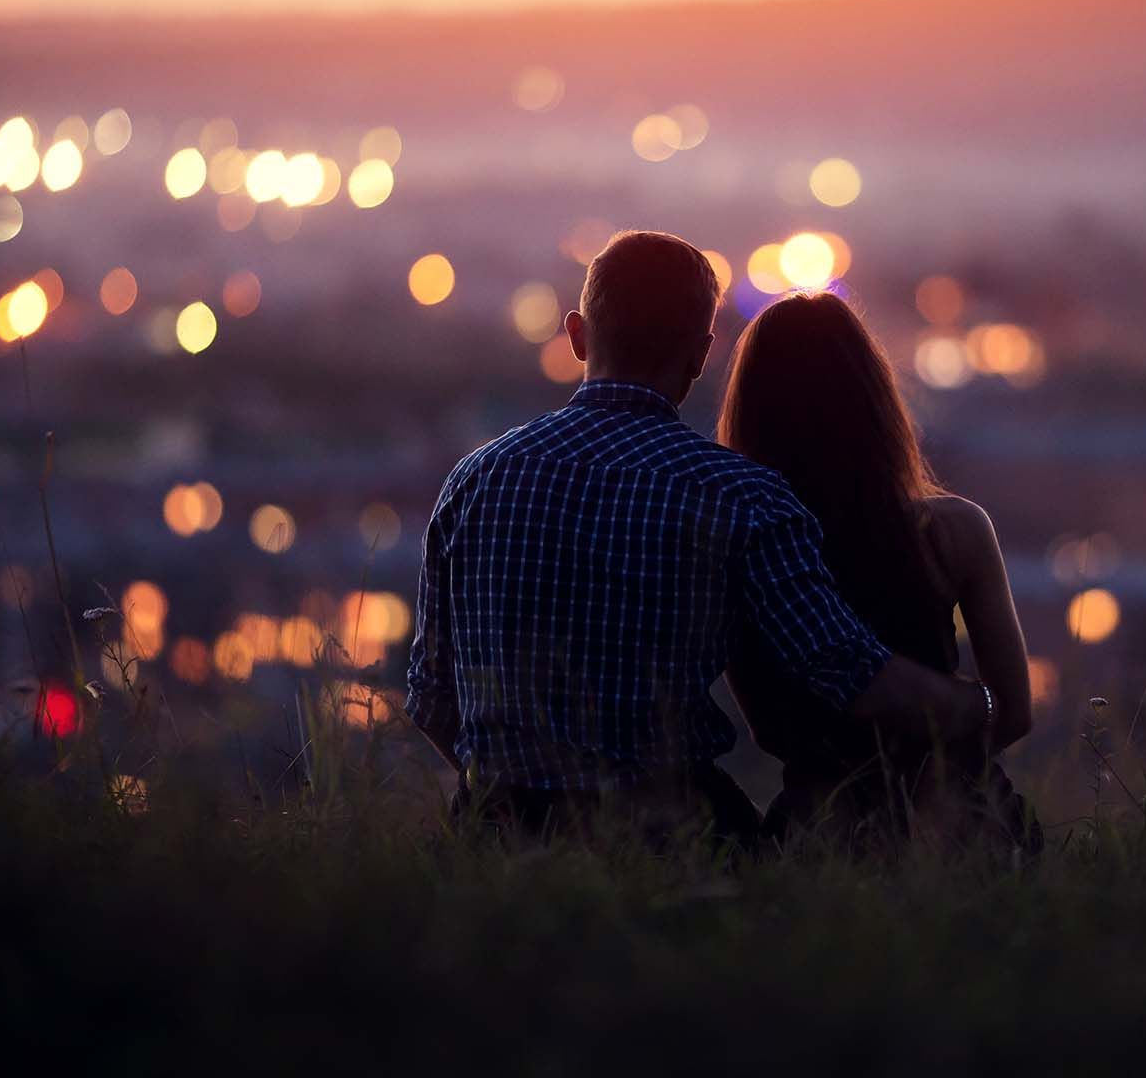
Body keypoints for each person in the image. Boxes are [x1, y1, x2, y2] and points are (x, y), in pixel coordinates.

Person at [405, 231, 995, 845]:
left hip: (494, 840)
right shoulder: (739, 496)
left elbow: (431, 697)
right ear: (702, 353)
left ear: (578, 335)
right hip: (668, 835)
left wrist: (519, 793)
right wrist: (976, 709)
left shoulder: (478, 478)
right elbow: (846, 671)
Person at [719, 290, 1037, 846]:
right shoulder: (954, 530)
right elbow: (1011, 712)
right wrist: (950, 732)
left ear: (753, 412)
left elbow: (768, 730)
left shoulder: (745, 545)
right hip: (971, 819)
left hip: (819, 827)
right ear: (875, 400)